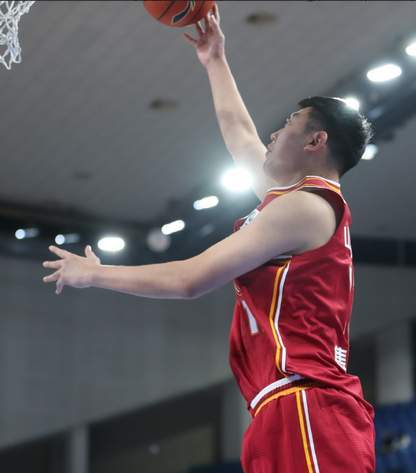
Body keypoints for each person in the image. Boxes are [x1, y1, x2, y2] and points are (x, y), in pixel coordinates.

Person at [42, 5, 375, 473]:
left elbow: (189, 280)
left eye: (287, 123)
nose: (274, 132)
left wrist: (95, 274)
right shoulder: (298, 203)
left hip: (307, 404)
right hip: (284, 405)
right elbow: (240, 135)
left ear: (315, 141)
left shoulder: (304, 207)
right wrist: (215, 59)